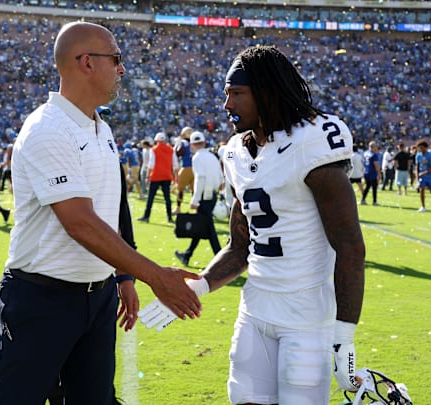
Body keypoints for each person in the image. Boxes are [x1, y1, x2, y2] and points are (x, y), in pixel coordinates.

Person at [140, 45, 365, 405]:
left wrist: (344, 338)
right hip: (256, 309)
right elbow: (239, 246)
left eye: (237, 93)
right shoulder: (234, 153)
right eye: (226, 93)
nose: (227, 104)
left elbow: (350, 247)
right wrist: (196, 288)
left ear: (268, 92)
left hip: (306, 318)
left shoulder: (314, 140)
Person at [0, 22, 202, 405]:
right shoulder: (48, 128)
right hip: (43, 296)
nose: (122, 68)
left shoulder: (99, 126)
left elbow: (111, 206)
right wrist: (155, 275)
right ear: (86, 62)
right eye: (116, 58)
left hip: (98, 297)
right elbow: (80, 222)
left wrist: (122, 276)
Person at [174, 131, 224, 266]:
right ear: (204, 142)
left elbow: (200, 180)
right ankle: (188, 254)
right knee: (202, 225)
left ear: (192, 145)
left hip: (204, 196)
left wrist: (195, 200)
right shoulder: (212, 156)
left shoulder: (197, 158)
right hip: (211, 194)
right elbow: (220, 176)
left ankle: (220, 258)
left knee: (208, 228)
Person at [137, 131, 178, 223]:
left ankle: (146, 216)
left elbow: (151, 164)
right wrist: (176, 177)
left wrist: (147, 176)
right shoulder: (171, 149)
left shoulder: (154, 149)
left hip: (156, 176)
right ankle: (169, 217)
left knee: (150, 198)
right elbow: (175, 165)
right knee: (167, 198)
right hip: (167, 176)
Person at [172, 127, 194, 215]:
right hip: (196, 168)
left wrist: (177, 144)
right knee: (194, 190)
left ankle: (178, 208)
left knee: (180, 190)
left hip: (185, 167)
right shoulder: (194, 143)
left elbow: (178, 152)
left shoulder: (183, 142)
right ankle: (197, 209)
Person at [415, 140, 431, 212]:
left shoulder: (430, 156)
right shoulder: (418, 155)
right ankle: (423, 206)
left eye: (422, 148)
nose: (420, 149)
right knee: (421, 189)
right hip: (422, 176)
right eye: (419, 148)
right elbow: (417, 166)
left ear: (426, 148)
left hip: (429, 175)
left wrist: (424, 173)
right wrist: (417, 176)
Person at [361, 141, 381, 205]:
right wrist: (379, 173)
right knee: (374, 187)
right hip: (372, 172)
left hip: (366, 171)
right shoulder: (374, 154)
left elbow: (363, 163)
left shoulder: (365, 153)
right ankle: (374, 201)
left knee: (367, 186)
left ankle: (363, 199)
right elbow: (376, 165)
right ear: (374, 147)